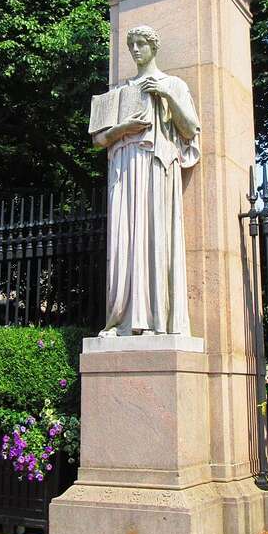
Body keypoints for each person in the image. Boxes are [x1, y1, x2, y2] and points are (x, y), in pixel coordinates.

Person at [91, 25, 200, 336]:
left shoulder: (173, 84)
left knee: (155, 237)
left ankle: (156, 321)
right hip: (124, 168)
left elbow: (191, 128)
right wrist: (122, 128)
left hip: (155, 166)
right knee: (125, 240)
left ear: (154, 47)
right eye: (132, 45)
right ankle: (121, 320)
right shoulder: (119, 93)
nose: (136, 49)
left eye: (142, 44)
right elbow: (99, 140)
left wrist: (165, 94)